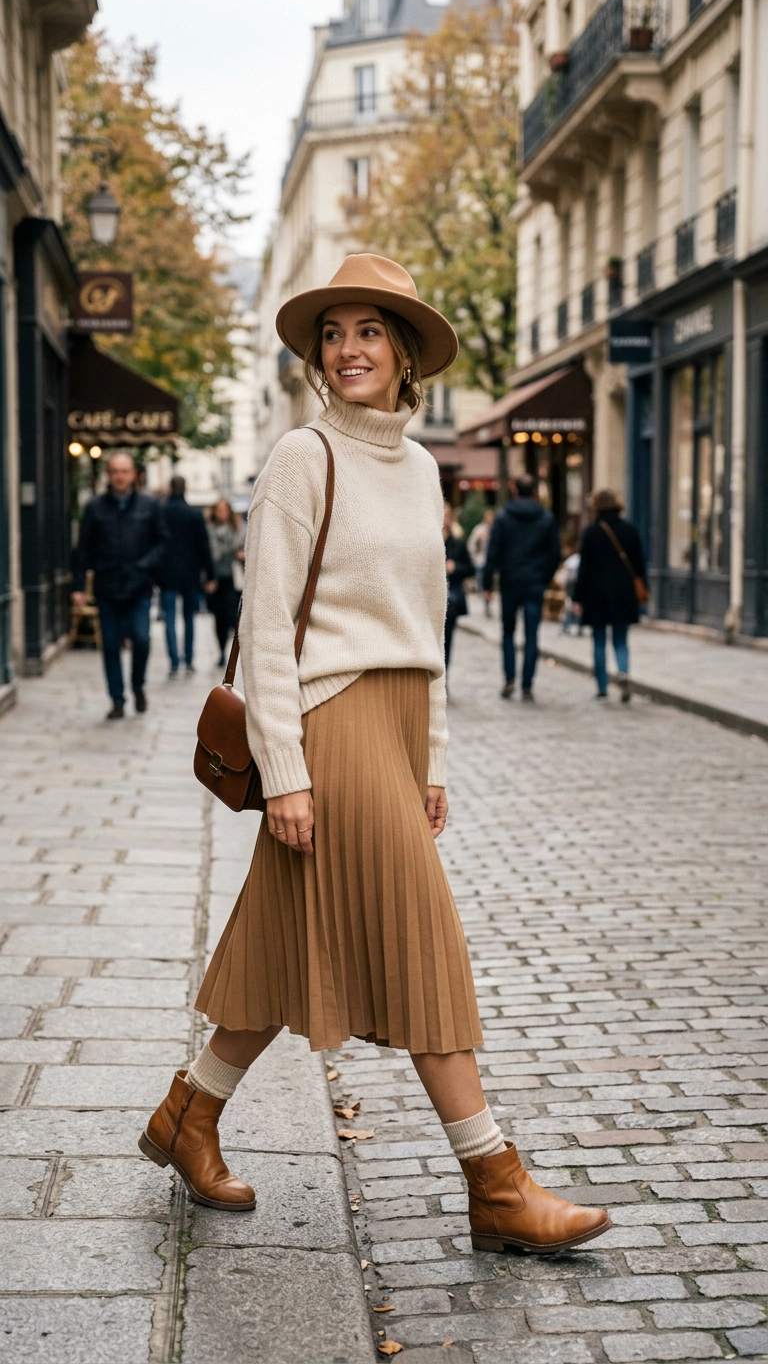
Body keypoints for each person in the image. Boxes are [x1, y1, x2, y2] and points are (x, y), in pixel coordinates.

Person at [139, 253, 610, 1255]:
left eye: (369, 331)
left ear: (404, 354)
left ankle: (188, 1115)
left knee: (280, 944)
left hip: (395, 721)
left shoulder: (424, 468)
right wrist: (287, 769)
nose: (348, 349)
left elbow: (425, 626)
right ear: (319, 356)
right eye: (334, 333)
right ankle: (494, 1179)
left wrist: (430, 757)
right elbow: (266, 625)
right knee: (424, 934)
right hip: (333, 719)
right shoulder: (303, 457)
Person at [72, 451, 167, 719]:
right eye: (114, 471)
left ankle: (137, 685)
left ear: (133, 474)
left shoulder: (149, 505)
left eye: (124, 471)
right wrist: (78, 587)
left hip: (139, 587)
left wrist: (146, 565)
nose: (119, 477)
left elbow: (162, 542)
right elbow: (83, 550)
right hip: (107, 587)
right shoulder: (95, 508)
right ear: (108, 475)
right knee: (111, 645)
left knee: (142, 639)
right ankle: (116, 699)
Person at [483, 475, 561, 702]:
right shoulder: (546, 518)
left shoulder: (504, 517)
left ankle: (509, 679)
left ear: (515, 490)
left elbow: (493, 551)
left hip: (510, 582)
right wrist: (545, 577)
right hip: (534, 583)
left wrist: (488, 583)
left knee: (508, 632)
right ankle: (527, 684)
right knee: (532, 635)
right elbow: (555, 553)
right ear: (535, 491)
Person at [572, 488, 647, 703]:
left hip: (596, 593)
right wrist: (643, 590)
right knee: (621, 639)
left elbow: (584, 568)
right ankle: (623, 672)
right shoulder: (630, 530)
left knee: (598, 641)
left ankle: (602, 687)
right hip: (623, 592)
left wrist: (577, 597)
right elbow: (639, 565)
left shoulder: (591, 532)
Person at [158, 476, 215, 676]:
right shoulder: (194, 514)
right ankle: (189, 660)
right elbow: (204, 546)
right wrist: (210, 574)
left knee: (169, 618)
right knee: (189, 617)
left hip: (166, 573)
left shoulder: (161, 512)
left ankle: (174, 662)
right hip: (190, 573)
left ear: (170, 488)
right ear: (185, 488)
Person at [207, 498, 247, 666]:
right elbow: (207, 555)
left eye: (224, 510)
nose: (221, 513)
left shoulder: (239, 530)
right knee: (219, 620)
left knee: (232, 617)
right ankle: (222, 651)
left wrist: (242, 555)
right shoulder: (209, 531)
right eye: (218, 510)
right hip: (216, 580)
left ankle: (234, 652)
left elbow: (248, 550)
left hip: (234, 579)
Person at [443, 503, 474, 676]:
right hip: (428, 600)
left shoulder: (457, 543)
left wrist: (455, 567)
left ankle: (444, 677)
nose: (444, 520)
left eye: (447, 516)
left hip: (451, 599)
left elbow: (470, 569)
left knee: (447, 641)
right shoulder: (426, 543)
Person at [467, 508, 496, 616]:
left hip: (492, 561)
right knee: (482, 582)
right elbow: (471, 545)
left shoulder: (496, 529)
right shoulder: (479, 529)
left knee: (489, 584)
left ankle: (487, 602)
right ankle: (484, 600)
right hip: (481, 560)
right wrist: (479, 541)